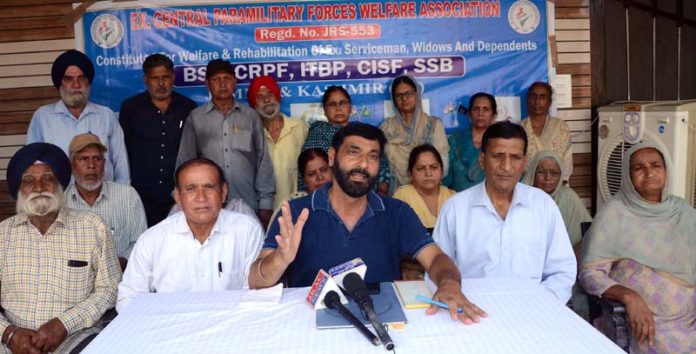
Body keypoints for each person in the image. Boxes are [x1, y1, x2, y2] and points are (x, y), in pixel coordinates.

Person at [250, 123, 486, 324]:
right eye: (354, 152)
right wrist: (280, 259)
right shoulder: (295, 212)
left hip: (383, 324)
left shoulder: (396, 212)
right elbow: (256, 280)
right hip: (309, 330)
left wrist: (449, 284)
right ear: (332, 156)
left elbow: (435, 258)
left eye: (373, 156)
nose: (363, 164)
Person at [433, 121, 576, 303]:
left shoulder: (543, 206)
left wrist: (540, 305)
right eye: (498, 156)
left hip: (534, 314)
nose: (506, 166)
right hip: (471, 314)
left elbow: (562, 271)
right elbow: (437, 270)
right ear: (482, 159)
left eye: (515, 157)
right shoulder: (455, 209)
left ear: (524, 162)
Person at [0, 143, 121, 353]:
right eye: (29, 181)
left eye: (47, 178)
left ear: (59, 184)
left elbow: (110, 289)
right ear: (19, 189)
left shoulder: (92, 227)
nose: (39, 188)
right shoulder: (3, 234)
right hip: (11, 343)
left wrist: (64, 324)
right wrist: (9, 333)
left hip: (76, 340)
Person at [579, 142, 695, 354]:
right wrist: (629, 296)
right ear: (627, 175)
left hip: (690, 318)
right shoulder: (614, 214)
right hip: (646, 324)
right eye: (639, 168)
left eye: (655, 165)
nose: (649, 172)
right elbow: (590, 274)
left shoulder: (683, 211)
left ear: (666, 170)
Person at [117, 158, 265, 313]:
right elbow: (129, 298)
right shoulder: (153, 239)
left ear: (223, 192)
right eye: (191, 189)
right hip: (169, 330)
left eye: (209, 187)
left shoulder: (247, 231)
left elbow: (258, 294)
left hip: (231, 327)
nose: (201, 197)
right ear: (178, 197)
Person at [176, 59, 275, 227]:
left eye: (227, 78)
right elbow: (185, 162)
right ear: (207, 83)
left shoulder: (250, 116)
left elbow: (262, 160)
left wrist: (266, 203)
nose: (222, 84)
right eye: (216, 80)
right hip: (207, 204)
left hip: (247, 202)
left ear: (235, 82)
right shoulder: (196, 117)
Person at [26, 49, 130, 185]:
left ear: (88, 82)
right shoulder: (42, 117)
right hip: (59, 201)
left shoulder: (106, 116)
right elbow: (32, 165)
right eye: (68, 79)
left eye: (82, 78)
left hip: (103, 201)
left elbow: (121, 166)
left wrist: (121, 199)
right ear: (59, 83)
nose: (76, 85)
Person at [119, 53, 198, 227]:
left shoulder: (188, 108)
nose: (161, 84)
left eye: (165, 77)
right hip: (141, 196)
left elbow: (194, 152)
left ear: (173, 78)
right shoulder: (131, 108)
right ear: (146, 79)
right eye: (155, 78)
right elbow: (123, 151)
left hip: (178, 196)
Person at [64, 133, 147, 271]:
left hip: (120, 282)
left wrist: (118, 263)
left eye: (97, 158)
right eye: (84, 159)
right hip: (74, 285)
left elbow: (141, 242)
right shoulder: (61, 202)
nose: (91, 165)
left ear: (104, 163)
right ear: (72, 165)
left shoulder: (127, 196)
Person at [300, 86, 390, 194]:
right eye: (333, 104)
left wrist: (381, 192)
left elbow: (382, 162)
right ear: (324, 109)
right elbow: (309, 168)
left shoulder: (362, 131)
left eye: (343, 103)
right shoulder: (318, 132)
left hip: (367, 194)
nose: (338, 108)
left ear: (350, 107)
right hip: (327, 195)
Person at [393, 144, 455, 280]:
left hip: (449, 272)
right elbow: (396, 243)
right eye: (420, 168)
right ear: (410, 173)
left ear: (442, 171)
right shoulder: (403, 196)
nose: (428, 173)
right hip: (412, 273)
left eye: (434, 167)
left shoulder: (453, 197)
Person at [248, 75, 307, 210]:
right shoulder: (251, 134)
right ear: (254, 104)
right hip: (263, 211)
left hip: (297, 207)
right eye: (260, 96)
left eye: (270, 94)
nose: (267, 100)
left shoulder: (298, 127)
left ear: (277, 97)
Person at [380, 75, 449, 191]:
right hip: (396, 192)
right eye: (399, 95)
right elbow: (381, 165)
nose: (404, 98)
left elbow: (444, 167)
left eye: (409, 93)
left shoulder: (433, 125)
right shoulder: (387, 128)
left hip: (428, 191)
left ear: (417, 95)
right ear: (394, 100)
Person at [523, 151, 591, 259]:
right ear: (532, 173)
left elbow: (589, 234)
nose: (548, 178)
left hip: (565, 262)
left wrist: (568, 259)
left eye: (554, 173)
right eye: (541, 172)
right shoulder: (522, 199)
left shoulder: (568, 197)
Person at [520, 82, 573, 182]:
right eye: (533, 96)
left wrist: (560, 186)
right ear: (527, 100)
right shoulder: (520, 129)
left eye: (542, 97)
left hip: (555, 187)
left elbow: (567, 161)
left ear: (549, 102)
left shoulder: (560, 126)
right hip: (528, 189)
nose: (537, 102)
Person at [444, 92, 497, 191]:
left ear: (494, 116)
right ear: (469, 114)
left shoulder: (500, 143)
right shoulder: (455, 140)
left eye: (486, 109)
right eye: (476, 109)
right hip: (457, 201)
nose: (480, 113)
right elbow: (446, 178)